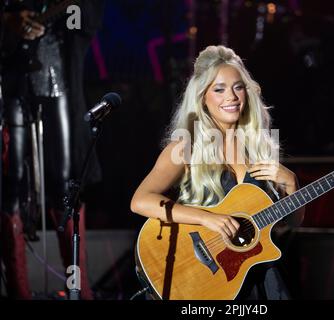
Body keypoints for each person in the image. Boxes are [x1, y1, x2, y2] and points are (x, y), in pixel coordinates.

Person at [131, 45, 305, 300]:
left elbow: (291, 223)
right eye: (219, 89)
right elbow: (140, 200)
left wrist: (292, 183)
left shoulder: (258, 148)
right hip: (207, 279)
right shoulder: (185, 146)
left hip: (257, 275)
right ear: (203, 97)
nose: (231, 97)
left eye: (238, 87)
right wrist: (206, 218)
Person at [0, 0, 104, 299]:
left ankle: (78, 287)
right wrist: (9, 21)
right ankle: (19, 290)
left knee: (68, 184)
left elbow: (87, 17)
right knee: (12, 187)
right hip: (12, 83)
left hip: (59, 81)